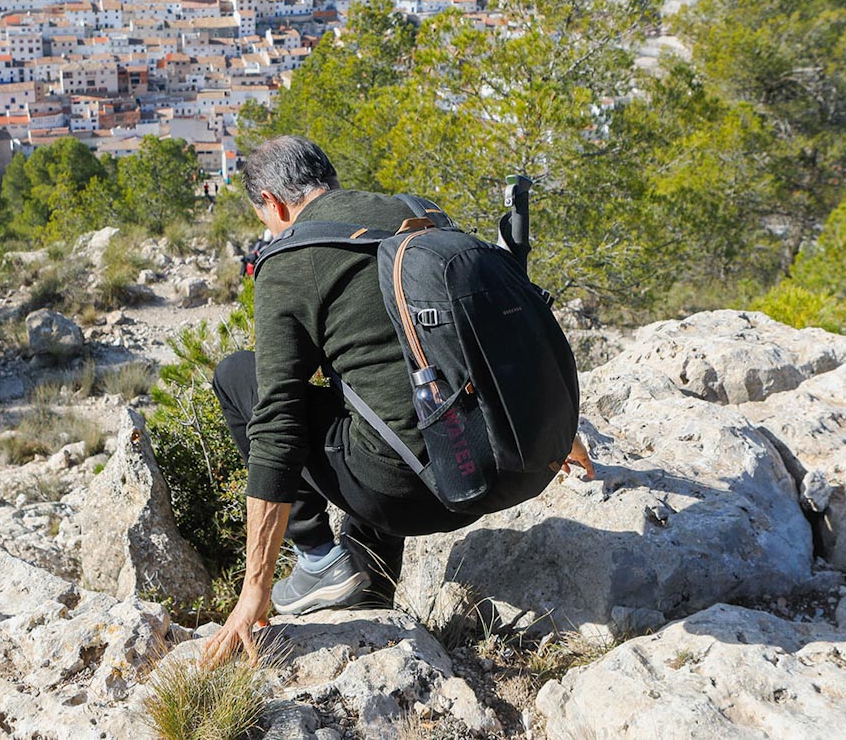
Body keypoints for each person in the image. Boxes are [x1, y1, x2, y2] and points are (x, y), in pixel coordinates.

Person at [203, 135, 592, 665]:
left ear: (273, 203)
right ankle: (368, 583)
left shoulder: (291, 256)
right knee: (387, 381)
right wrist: (556, 429)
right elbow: (471, 342)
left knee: (236, 375)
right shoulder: (420, 213)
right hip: (501, 467)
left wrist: (254, 591)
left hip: (414, 496)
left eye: (265, 218)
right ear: (328, 178)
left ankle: (318, 558)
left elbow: (277, 422)